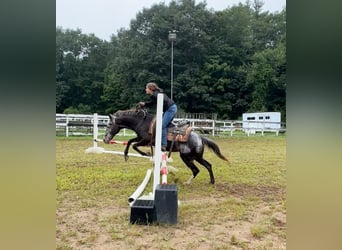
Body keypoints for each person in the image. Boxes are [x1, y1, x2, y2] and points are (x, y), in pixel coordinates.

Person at [138, 82, 177, 151]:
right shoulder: (154, 95)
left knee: (162, 125)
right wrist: (144, 104)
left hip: (170, 109)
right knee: (161, 124)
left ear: (150, 89)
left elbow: (163, 100)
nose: (145, 89)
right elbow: (151, 104)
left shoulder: (157, 95)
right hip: (168, 109)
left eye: (146, 88)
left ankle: (164, 145)